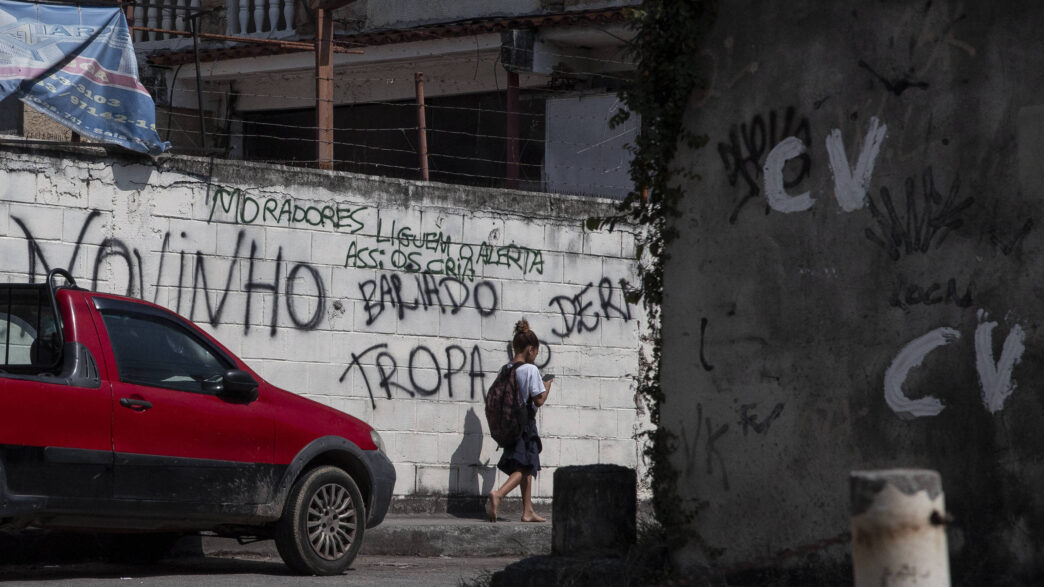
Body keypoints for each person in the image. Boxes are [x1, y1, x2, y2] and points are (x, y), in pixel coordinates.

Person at [486, 318, 552, 523]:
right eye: (536, 352)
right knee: (525, 468)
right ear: (530, 349)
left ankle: (527, 510)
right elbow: (539, 400)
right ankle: (499, 494)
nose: (535, 356)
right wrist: (547, 384)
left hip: (510, 425)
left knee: (525, 465)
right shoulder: (530, 370)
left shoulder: (505, 369)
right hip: (525, 426)